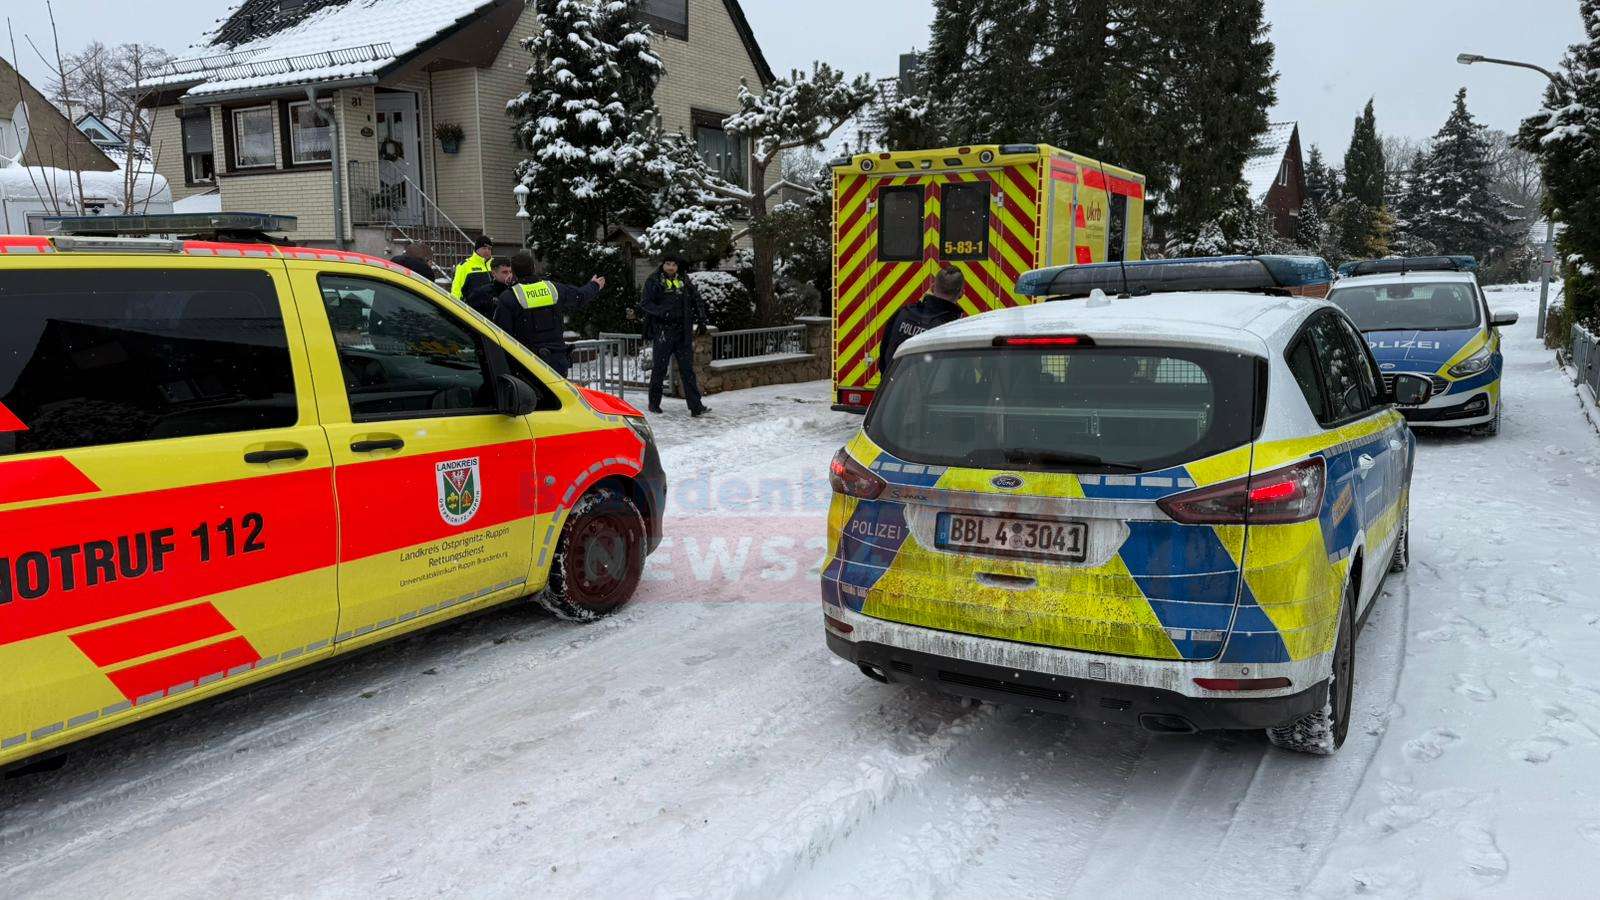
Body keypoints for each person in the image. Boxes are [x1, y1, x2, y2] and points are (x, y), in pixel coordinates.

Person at [491, 250, 605, 377]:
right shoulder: (553, 288)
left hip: (527, 364)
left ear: (513, 272)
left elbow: (501, 335)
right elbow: (579, 296)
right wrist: (594, 285)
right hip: (557, 362)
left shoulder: (509, 297)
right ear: (533, 268)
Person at [640, 257, 709, 417]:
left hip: (682, 331)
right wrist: (662, 311)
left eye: (674, 265)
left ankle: (696, 406)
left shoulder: (684, 279)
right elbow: (645, 303)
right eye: (668, 264)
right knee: (659, 368)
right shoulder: (654, 280)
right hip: (663, 331)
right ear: (663, 265)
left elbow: (696, 299)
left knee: (687, 370)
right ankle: (654, 404)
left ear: (677, 266)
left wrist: (701, 319)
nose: (671, 267)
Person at [878, 266, 966, 379]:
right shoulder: (955, 329)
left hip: (895, 391)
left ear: (932, 287)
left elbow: (884, 354)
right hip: (932, 395)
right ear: (961, 293)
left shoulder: (903, 314)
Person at [451, 235, 496, 300]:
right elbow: (456, 290)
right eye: (484, 248)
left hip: (493, 308)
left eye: (489, 248)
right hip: (471, 308)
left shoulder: (495, 264)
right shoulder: (464, 265)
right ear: (476, 249)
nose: (487, 251)